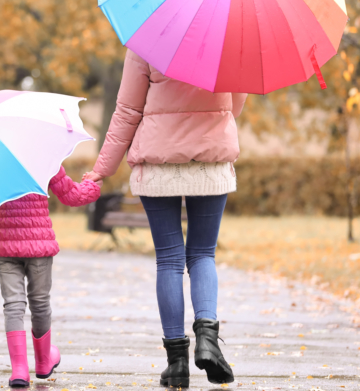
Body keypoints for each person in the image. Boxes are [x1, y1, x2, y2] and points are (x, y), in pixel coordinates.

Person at [83, 49, 246, 387]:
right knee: (202, 254)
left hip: (158, 165)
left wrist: (102, 169)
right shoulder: (229, 37)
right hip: (210, 160)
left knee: (169, 260)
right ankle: (208, 340)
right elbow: (235, 104)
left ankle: (176, 364)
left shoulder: (145, 39)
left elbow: (127, 111)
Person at [0, 166, 101, 387]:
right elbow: (72, 196)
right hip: (38, 244)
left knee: (13, 305)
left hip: (6, 245)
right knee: (39, 302)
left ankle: (19, 370)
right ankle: (44, 361)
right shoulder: (45, 159)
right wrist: (93, 185)